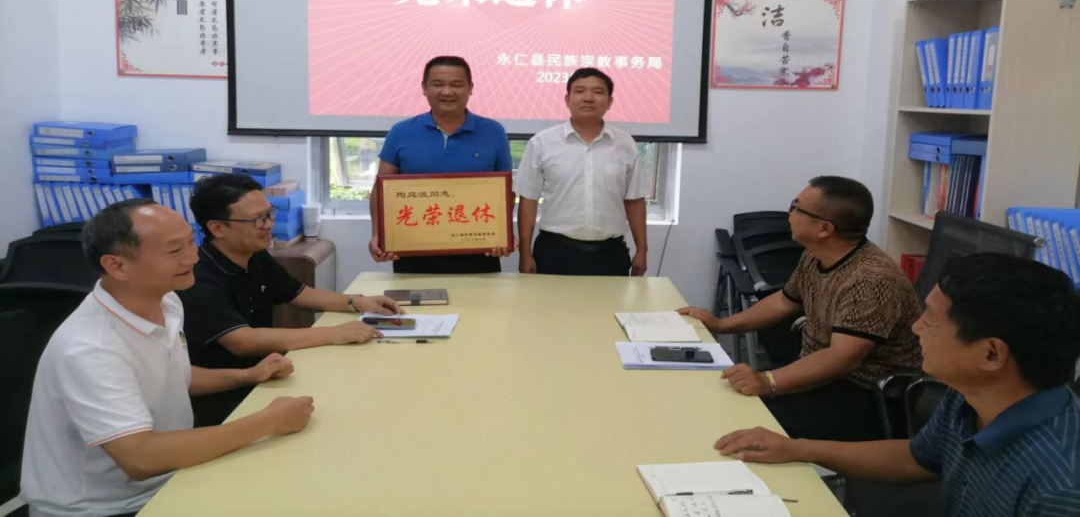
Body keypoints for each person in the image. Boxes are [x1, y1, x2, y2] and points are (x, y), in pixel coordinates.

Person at [714, 254, 1080, 517]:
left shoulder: (1059, 488)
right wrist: (797, 448)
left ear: (991, 354)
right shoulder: (971, 397)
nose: (916, 327)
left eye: (931, 319)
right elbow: (917, 457)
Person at [21, 200, 314, 517]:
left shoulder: (166, 300)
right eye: (175, 251)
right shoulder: (90, 348)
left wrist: (247, 376)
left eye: (191, 241)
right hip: (104, 508)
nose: (193, 257)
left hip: (173, 476)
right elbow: (140, 458)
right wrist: (268, 421)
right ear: (117, 266)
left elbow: (169, 374)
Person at [678, 176, 923, 441]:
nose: (789, 213)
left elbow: (842, 358)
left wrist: (769, 382)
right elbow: (784, 301)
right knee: (720, 397)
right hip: (820, 375)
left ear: (824, 229)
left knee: (736, 421)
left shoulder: (871, 279)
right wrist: (722, 324)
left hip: (866, 396)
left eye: (796, 207)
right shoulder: (815, 254)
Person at [180, 174, 402, 426]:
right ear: (217, 228)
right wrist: (333, 333)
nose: (268, 225)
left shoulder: (254, 254)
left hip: (269, 373)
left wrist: (356, 301)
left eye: (269, 214)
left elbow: (298, 293)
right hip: (226, 394)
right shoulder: (198, 278)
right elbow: (242, 341)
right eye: (257, 219)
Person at [368, 55, 514, 274]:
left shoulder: (494, 132)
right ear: (424, 88)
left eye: (456, 84)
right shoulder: (401, 131)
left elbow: (505, 192)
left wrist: (502, 234)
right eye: (438, 84)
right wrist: (379, 235)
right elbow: (381, 190)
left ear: (470, 88)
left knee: (481, 298)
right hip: (412, 249)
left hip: (477, 250)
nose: (447, 91)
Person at [514, 68, 649, 276]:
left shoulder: (625, 144)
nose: (588, 98)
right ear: (567, 99)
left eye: (598, 92)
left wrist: (642, 250)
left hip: (610, 254)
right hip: (554, 252)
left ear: (609, 102)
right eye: (580, 91)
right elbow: (528, 201)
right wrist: (524, 253)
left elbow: (634, 201)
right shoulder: (542, 143)